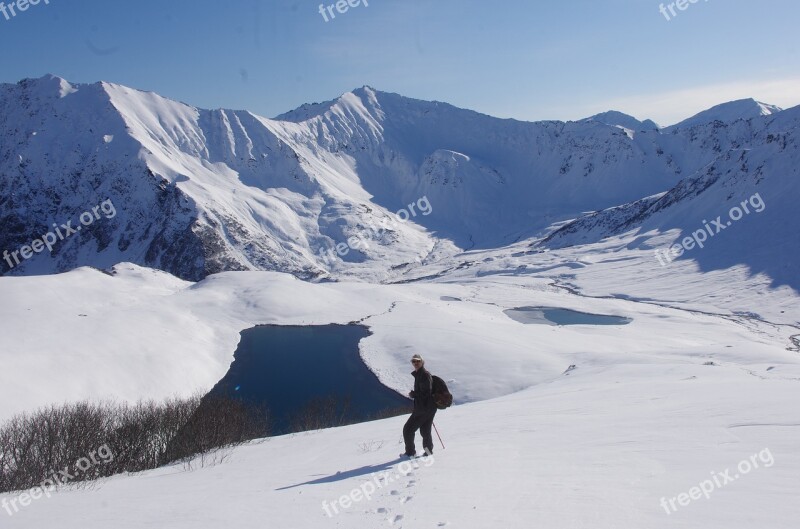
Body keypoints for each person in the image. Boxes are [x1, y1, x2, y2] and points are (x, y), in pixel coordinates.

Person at [402, 354, 436, 457]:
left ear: (422, 362)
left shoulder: (424, 375)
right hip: (429, 408)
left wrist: (414, 394)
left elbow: (426, 392)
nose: (416, 363)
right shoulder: (419, 374)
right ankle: (428, 452)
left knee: (408, 430)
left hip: (423, 409)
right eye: (414, 361)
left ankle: (410, 453)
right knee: (425, 431)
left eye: (418, 361)